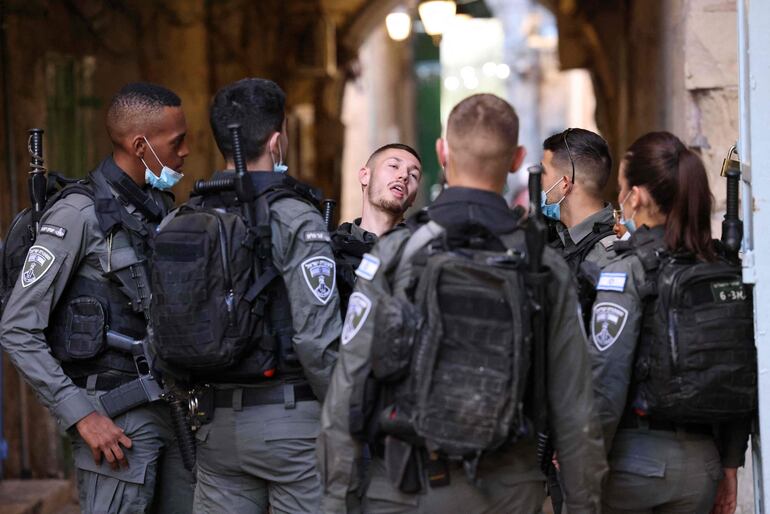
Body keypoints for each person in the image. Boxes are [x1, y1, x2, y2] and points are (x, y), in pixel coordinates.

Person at [317, 93, 607, 513]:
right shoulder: (545, 265)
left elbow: (348, 388)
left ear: (442, 151)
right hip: (509, 489)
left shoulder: (394, 254)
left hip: (406, 486)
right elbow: (576, 410)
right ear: (517, 159)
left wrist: (336, 500)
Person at [0, 82, 193, 513]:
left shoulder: (156, 208)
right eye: (176, 142)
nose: (184, 153)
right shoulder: (77, 215)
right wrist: (82, 416)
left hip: (173, 412)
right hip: (115, 424)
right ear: (140, 145)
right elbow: (17, 329)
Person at [187, 78, 342, 514]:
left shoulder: (191, 215)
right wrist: (345, 413)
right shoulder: (295, 216)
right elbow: (316, 339)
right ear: (278, 141)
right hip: (291, 428)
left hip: (214, 428)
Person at [589, 131, 752, 514]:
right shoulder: (722, 268)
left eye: (623, 186)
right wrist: (729, 467)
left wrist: (583, 469)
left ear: (639, 195)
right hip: (703, 467)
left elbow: (606, 379)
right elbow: (738, 369)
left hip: (633, 464)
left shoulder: (627, 267)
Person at [332, 143, 422, 313]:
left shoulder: (422, 255)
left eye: (413, 175)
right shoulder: (331, 251)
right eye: (393, 166)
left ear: (413, 199)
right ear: (365, 176)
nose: (403, 176)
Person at [541, 128, 616, 270]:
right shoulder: (558, 238)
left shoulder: (608, 258)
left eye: (543, 172)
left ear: (564, 184)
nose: (538, 180)